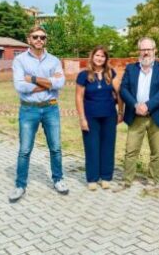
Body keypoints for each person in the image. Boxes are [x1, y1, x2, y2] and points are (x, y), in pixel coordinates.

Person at [8, 26, 68, 203]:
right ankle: (20, 185)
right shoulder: (19, 60)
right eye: (36, 37)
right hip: (29, 109)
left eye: (43, 37)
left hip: (51, 108)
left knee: (55, 148)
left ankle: (58, 180)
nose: (39, 40)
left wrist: (32, 79)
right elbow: (20, 86)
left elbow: (60, 83)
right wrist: (49, 83)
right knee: (25, 150)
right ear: (29, 39)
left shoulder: (54, 60)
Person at [117, 37, 159, 190]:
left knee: (156, 151)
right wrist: (135, 105)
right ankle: (127, 180)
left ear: (154, 51)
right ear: (139, 51)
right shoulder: (130, 69)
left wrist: (147, 105)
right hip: (135, 116)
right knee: (131, 150)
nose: (146, 52)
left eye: (149, 49)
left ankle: (153, 180)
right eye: (143, 49)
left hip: (156, 116)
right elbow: (124, 89)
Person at [75, 46, 124, 191]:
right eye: (97, 55)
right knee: (92, 147)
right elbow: (78, 97)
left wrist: (120, 111)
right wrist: (82, 118)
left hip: (109, 116)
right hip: (90, 117)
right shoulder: (83, 75)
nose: (99, 58)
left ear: (106, 59)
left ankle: (106, 177)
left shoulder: (111, 73)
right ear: (92, 57)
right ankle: (92, 178)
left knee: (108, 147)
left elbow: (119, 93)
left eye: (102, 56)